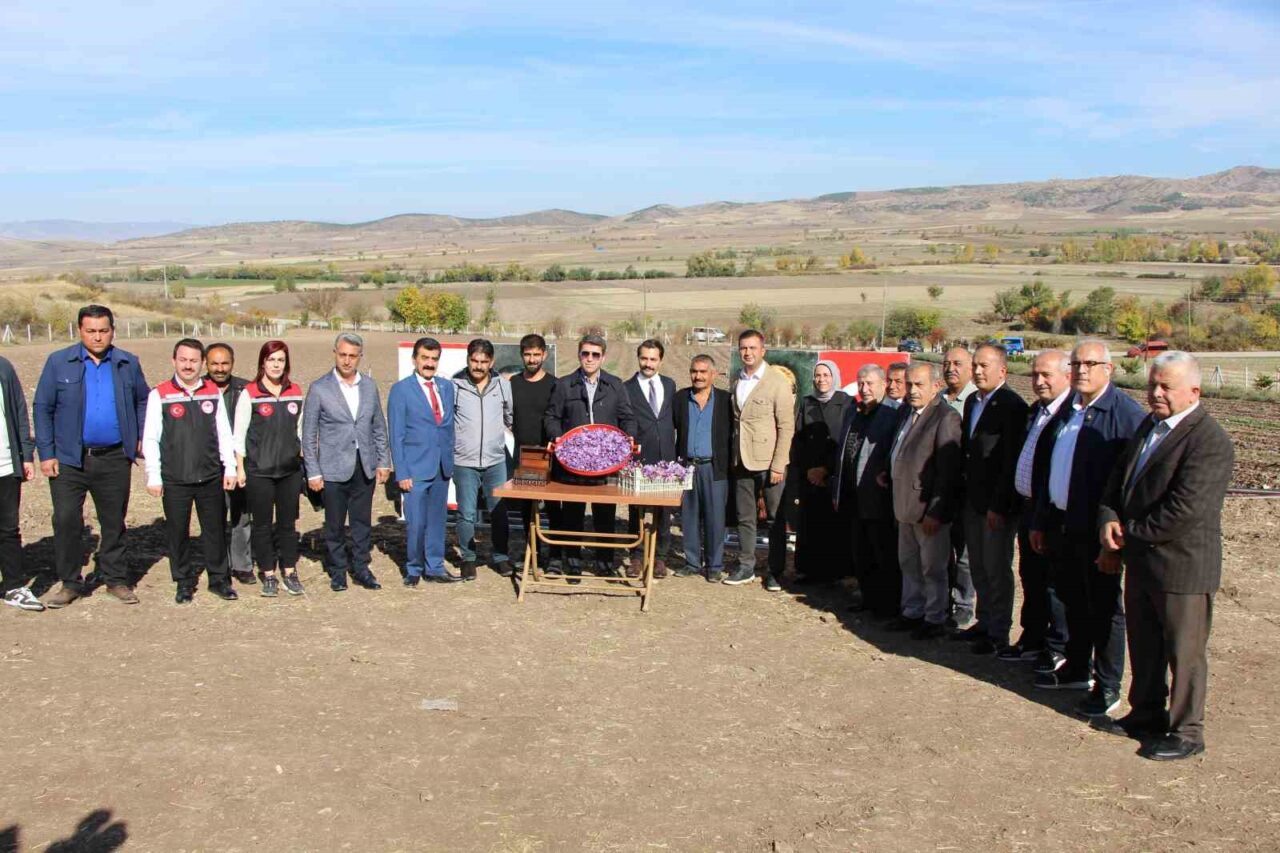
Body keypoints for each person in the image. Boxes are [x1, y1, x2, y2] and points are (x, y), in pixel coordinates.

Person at [1094, 352, 1233, 760]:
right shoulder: (1149, 426)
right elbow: (1118, 480)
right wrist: (1108, 517)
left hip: (1182, 566)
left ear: (1194, 391)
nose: (1155, 393)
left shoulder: (1209, 441)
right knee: (1145, 644)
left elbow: (1185, 511)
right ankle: (1147, 712)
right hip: (1142, 562)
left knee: (1184, 653)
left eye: (1166, 386)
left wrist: (1126, 537)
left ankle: (1187, 730)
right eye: (1153, 384)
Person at [1030, 339, 1145, 718]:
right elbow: (1049, 468)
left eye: (1090, 364)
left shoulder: (1124, 415)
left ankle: (1107, 684)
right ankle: (1078, 667)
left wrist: (1114, 540)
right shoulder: (1070, 410)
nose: (1081, 370)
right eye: (1076, 364)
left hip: (1097, 531)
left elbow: (1131, 484)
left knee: (1104, 607)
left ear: (1108, 369)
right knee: (1072, 599)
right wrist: (1042, 520)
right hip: (1062, 524)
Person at [33, 304, 149, 607]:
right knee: (66, 520)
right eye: (91, 331)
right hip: (69, 458)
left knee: (114, 521)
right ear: (80, 331)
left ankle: (115, 579)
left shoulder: (127, 363)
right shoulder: (59, 362)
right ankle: (70, 583)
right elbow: (43, 408)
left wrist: (138, 436)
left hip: (114, 457)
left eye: (103, 331)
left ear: (112, 331)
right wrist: (46, 453)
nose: (97, 337)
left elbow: (143, 400)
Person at [142, 338, 239, 603]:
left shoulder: (212, 392)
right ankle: (183, 582)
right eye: (183, 360)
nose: (188, 365)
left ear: (202, 363)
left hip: (210, 476)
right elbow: (151, 437)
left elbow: (224, 433)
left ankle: (219, 580)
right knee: (178, 533)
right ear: (174, 361)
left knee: (215, 530)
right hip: (175, 478)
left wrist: (229, 468)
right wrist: (154, 474)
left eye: (194, 361)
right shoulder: (159, 394)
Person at [302, 332, 391, 592]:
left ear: (360, 356)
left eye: (353, 356)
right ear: (335, 354)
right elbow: (308, 435)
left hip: (364, 466)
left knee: (362, 523)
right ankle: (338, 570)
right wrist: (313, 472)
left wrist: (383, 461)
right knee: (335, 524)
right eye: (343, 355)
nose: (347, 360)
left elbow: (378, 426)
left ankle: (362, 568)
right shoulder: (319, 388)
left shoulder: (369, 386)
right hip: (332, 469)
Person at [543, 333, 637, 577]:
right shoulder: (564, 385)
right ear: (579, 355)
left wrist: (629, 436)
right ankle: (573, 564)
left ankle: (604, 564)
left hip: (606, 466)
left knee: (605, 516)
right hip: (572, 465)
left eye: (595, 354)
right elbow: (551, 417)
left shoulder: (615, 385)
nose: (590, 359)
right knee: (572, 515)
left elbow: (627, 417)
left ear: (603, 357)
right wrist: (557, 437)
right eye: (585, 353)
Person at [957, 343, 1028, 655]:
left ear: (1003, 370)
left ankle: (998, 631)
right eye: (975, 365)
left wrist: (999, 505)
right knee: (978, 565)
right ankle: (984, 621)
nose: (977, 371)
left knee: (996, 567)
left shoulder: (1012, 406)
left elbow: (1010, 461)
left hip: (996, 505)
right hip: (972, 500)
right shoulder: (973, 401)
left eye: (984, 366)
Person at [889, 362, 962, 639]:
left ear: (936, 386)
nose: (912, 390)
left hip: (927, 509)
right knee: (909, 563)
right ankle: (912, 611)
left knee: (933, 567)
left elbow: (948, 472)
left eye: (919, 385)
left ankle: (934, 617)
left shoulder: (945, 418)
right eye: (909, 384)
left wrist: (936, 511)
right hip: (905, 504)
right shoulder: (907, 413)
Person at [234, 341, 309, 598]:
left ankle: (290, 571)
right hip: (259, 471)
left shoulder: (295, 391)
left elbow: (300, 431)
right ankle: (268, 573)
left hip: (289, 471)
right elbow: (239, 434)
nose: (276, 365)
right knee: (262, 525)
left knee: (287, 524)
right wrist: (240, 468)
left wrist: (301, 459)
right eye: (271, 359)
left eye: (280, 360)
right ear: (262, 363)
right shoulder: (250, 393)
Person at [725, 329, 795, 590]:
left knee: (775, 518)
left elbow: (786, 426)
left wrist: (779, 464)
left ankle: (775, 571)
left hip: (769, 463)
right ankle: (746, 567)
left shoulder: (777, 382)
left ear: (763, 351)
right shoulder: (737, 381)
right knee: (745, 517)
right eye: (743, 348)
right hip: (742, 460)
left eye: (752, 348)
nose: (748, 352)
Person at [388, 337, 460, 585]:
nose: (429, 363)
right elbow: (396, 435)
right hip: (415, 468)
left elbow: (448, 427)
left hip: (441, 466)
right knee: (416, 523)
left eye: (434, 359)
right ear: (414, 359)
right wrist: (402, 472)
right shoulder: (401, 390)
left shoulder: (446, 387)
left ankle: (435, 567)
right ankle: (414, 569)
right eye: (424, 358)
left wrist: (449, 459)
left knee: (437, 521)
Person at [830, 364, 900, 618]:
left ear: (883, 384)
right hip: (851, 492)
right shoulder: (854, 411)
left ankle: (886, 604)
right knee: (860, 550)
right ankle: (867, 597)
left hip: (876, 495)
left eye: (870, 383)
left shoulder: (893, 413)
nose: (864, 388)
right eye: (861, 383)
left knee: (880, 550)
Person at [452, 338, 514, 581]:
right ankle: (468, 559)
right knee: (466, 513)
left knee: (498, 511)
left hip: (495, 461)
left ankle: (501, 556)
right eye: (474, 361)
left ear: (492, 362)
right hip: (464, 462)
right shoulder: (455, 385)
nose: (478, 366)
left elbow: (509, 415)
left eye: (484, 361)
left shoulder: (502, 385)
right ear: (468, 359)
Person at [788, 360, 852, 584]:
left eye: (826, 375)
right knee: (810, 524)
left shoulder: (847, 403)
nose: (821, 379)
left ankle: (833, 573)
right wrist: (808, 470)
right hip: (809, 476)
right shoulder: (807, 403)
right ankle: (808, 571)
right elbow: (798, 439)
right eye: (817, 375)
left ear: (834, 377)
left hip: (833, 475)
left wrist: (826, 470)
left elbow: (846, 441)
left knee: (832, 525)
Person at [672, 354, 732, 580]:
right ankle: (692, 562)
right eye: (694, 371)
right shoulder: (681, 398)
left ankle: (714, 566)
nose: (697, 376)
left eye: (703, 372)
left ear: (713, 374)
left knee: (715, 518)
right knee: (689, 516)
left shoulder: (725, 400)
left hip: (714, 467)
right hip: (688, 466)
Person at [624, 339, 678, 579]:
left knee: (663, 511)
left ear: (660, 361)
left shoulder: (669, 384)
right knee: (636, 510)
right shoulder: (627, 388)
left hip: (666, 457)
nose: (648, 363)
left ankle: (660, 557)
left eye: (653, 359)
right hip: (639, 456)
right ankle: (636, 556)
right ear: (638, 358)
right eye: (644, 358)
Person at [509, 334, 562, 567]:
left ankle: (556, 556)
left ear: (545, 355)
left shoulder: (555, 385)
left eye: (536, 354)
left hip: (550, 456)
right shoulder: (513, 384)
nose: (532, 359)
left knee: (553, 507)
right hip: (523, 456)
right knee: (527, 509)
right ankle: (533, 553)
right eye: (528, 355)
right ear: (522, 355)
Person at [205, 342, 254, 586]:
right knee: (214, 518)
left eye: (225, 363)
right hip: (209, 465)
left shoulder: (245, 389)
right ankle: (218, 566)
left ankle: (242, 565)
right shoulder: (199, 390)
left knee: (241, 516)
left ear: (232, 363)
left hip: (240, 463)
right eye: (214, 363)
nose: (220, 368)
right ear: (206, 364)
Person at [0, 354, 40, 611]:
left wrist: (26, 454)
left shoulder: (3, 367)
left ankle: (13, 587)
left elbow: (18, 410)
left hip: (4, 463)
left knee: (7, 529)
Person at [941, 345, 977, 628]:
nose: (950, 368)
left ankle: (964, 605)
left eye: (957, 363)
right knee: (941, 549)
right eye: (946, 363)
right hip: (939, 488)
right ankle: (942, 600)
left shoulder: (975, 401)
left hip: (965, 488)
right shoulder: (938, 399)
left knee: (964, 553)